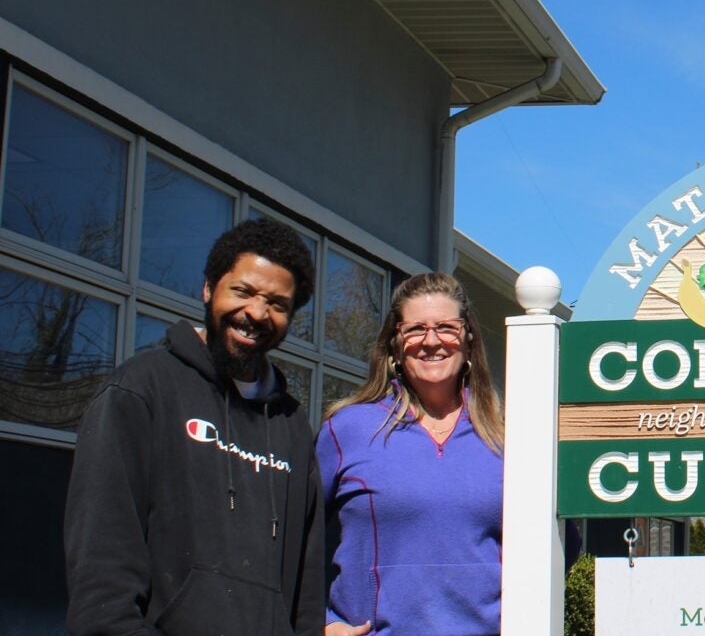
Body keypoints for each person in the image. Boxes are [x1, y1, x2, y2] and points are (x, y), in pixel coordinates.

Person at [64, 218, 322, 635]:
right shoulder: (141, 389)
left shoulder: (291, 424)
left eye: (277, 303)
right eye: (243, 291)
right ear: (208, 289)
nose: (256, 312)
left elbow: (306, 598)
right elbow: (101, 580)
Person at [318, 272, 579, 636]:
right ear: (395, 343)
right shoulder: (349, 428)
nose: (431, 341)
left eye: (446, 327)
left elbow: (556, 546)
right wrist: (321, 623)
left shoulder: (513, 435)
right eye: (414, 329)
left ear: (468, 341)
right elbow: (295, 540)